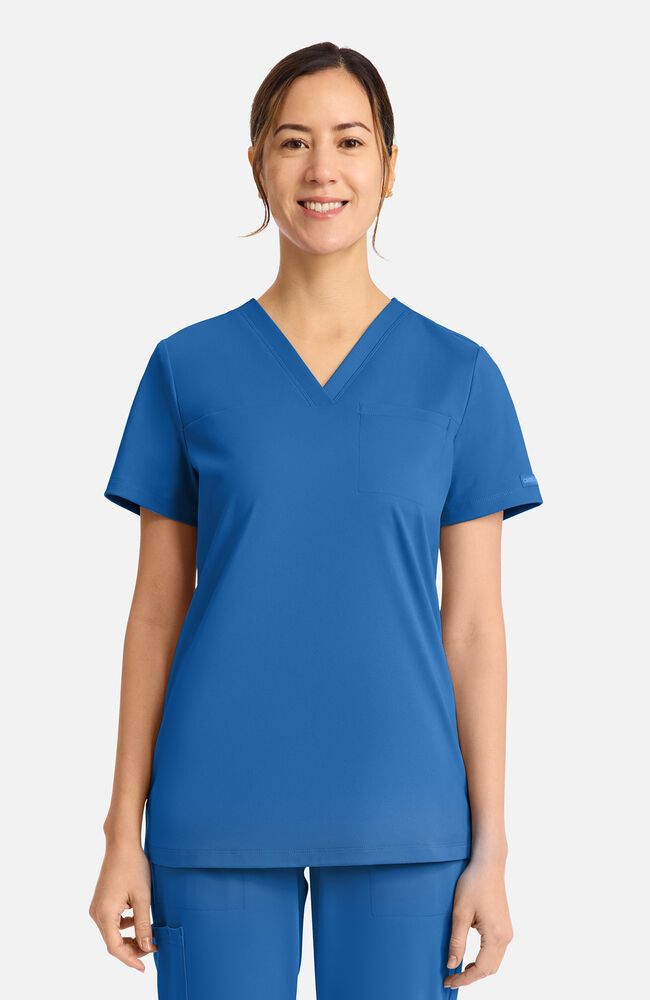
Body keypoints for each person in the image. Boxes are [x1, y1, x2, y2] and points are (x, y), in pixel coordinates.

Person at [89, 42, 543, 1000]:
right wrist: (120, 831)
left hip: (406, 814)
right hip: (213, 808)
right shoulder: (186, 369)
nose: (322, 169)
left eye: (350, 141)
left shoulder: (460, 377)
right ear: (257, 164)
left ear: (390, 166)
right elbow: (156, 614)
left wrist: (492, 848)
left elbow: (473, 628)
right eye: (294, 142)